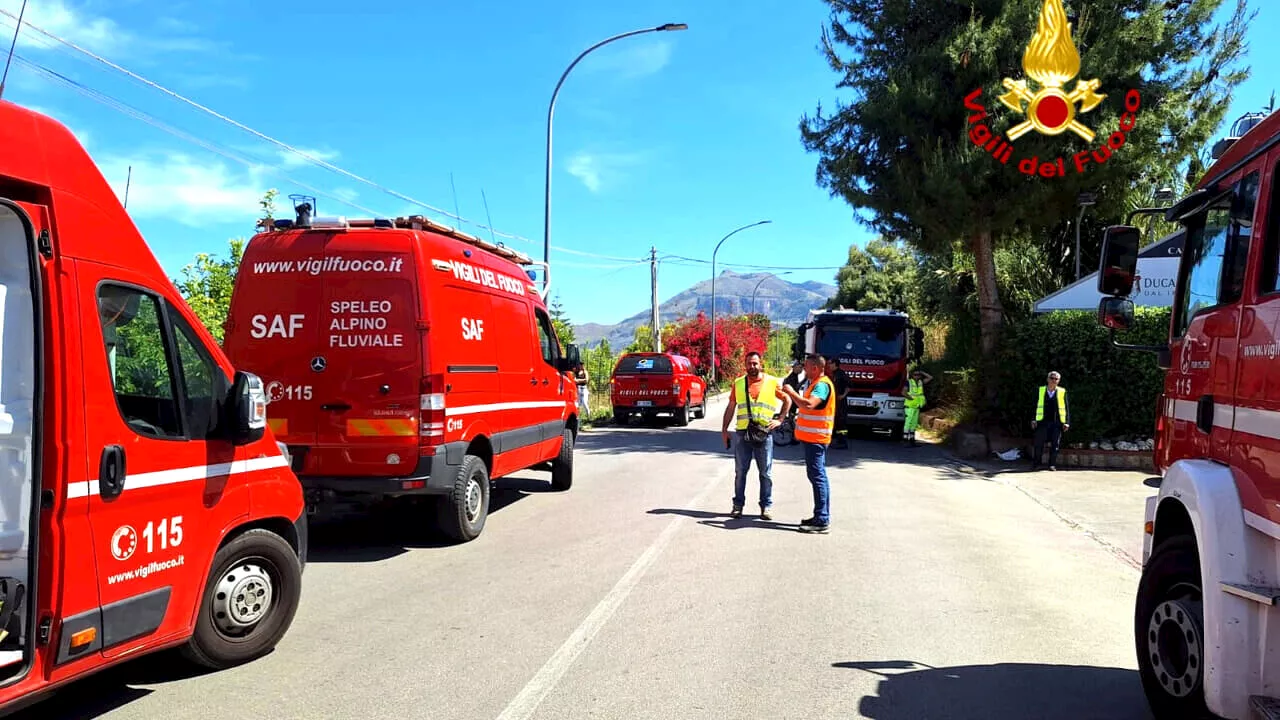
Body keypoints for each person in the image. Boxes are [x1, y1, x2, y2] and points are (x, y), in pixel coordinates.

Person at [721, 351, 791, 520]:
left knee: (765, 473)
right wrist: (724, 430)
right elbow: (731, 407)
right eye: (749, 364)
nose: (752, 367)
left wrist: (780, 419)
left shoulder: (772, 382)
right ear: (745, 365)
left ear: (761, 364)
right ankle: (738, 506)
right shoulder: (738, 384)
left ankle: (766, 506)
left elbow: (787, 399)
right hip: (742, 433)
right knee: (740, 472)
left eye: (755, 363)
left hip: (763, 433)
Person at [780, 354, 836, 533]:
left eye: (806, 366)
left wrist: (791, 392)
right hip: (814, 439)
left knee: (818, 477)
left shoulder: (821, 385)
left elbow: (809, 405)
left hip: (816, 439)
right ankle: (820, 515)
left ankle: (821, 519)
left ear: (816, 368)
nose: (803, 369)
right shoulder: (816, 383)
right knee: (818, 476)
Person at [1031, 371, 1070, 471]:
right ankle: (1036, 464)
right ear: (1048, 379)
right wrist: (1033, 419)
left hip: (1057, 422)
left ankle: (1052, 465)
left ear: (1059, 381)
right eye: (1052, 378)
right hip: (1042, 421)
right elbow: (1033, 406)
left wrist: (1067, 422)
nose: (1053, 381)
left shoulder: (1062, 391)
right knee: (1038, 444)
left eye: (1056, 379)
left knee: (1055, 445)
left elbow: (1066, 407)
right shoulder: (1040, 390)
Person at [903, 369, 933, 446]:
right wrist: (911, 399)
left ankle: (912, 440)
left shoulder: (920, 383)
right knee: (908, 422)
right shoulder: (909, 382)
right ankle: (905, 439)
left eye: (918, 375)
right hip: (910, 406)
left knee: (914, 423)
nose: (917, 376)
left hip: (917, 406)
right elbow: (903, 392)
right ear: (912, 375)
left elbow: (930, 377)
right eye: (915, 374)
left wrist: (922, 372)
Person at [825, 357, 850, 448]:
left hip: (841, 403)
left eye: (830, 363)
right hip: (836, 402)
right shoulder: (834, 374)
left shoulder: (841, 374)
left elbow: (849, 385)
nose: (829, 365)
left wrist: (843, 395)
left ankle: (843, 442)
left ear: (835, 364)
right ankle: (838, 441)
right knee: (837, 422)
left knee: (841, 422)